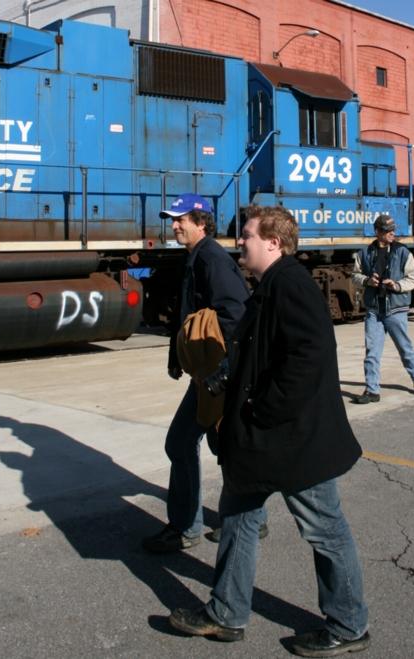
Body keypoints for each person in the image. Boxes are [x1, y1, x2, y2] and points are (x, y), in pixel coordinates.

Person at [168, 205, 370, 657]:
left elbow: (308, 357)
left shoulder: (291, 285)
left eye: (247, 235)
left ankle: (349, 624)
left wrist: (260, 408)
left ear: (273, 243)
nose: (240, 241)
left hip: (294, 440)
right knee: (238, 517)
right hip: (262, 440)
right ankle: (226, 613)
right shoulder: (270, 284)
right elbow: (259, 350)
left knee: (325, 530)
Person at [142, 193, 266, 553]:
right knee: (217, 443)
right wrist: (176, 355)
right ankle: (250, 519)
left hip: (217, 374)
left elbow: (236, 315)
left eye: (181, 219)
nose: (174, 225)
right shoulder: (197, 256)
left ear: (201, 223)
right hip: (207, 372)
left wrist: (224, 371)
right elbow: (190, 315)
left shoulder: (211, 259)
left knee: (186, 442)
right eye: (173, 219)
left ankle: (190, 527)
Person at [351, 214, 414, 404]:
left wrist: (397, 285)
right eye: (387, 231)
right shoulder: (364, 253)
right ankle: (372, 390)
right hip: (374, 311)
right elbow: (355, 276)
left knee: (404, 348)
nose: (392, 233)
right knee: (372, 352)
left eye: (393, 230)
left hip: (396, 310)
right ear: (377, 232)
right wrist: (367, 281)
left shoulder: (403, 252)